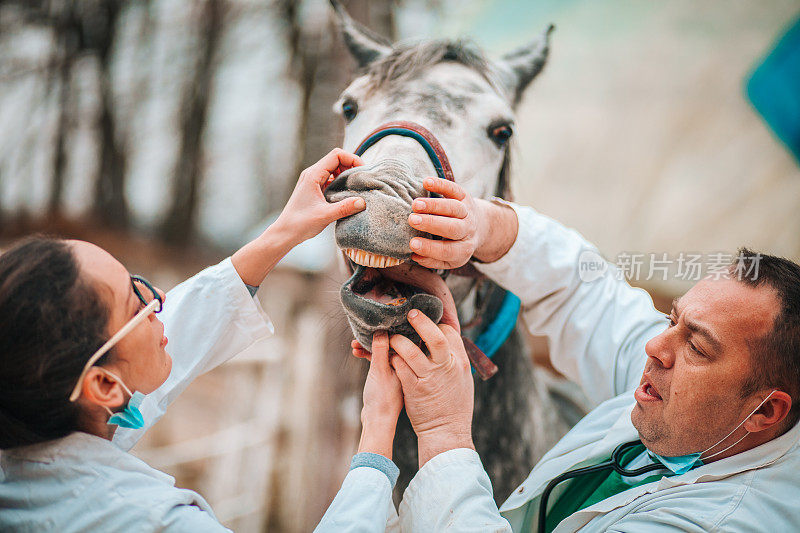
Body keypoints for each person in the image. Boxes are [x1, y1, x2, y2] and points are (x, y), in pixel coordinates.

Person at [355, 177, 800, 532]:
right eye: (671, 320)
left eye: (698, 347)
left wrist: (442, 430)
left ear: (766, 410)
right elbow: (583, 292)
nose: (654, 348)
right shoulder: (704, 409)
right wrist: (483, 226)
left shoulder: (727, 523)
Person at [0, 149, 405, 532]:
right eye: (133, 302)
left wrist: (283, 233)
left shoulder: (31, 440)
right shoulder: (154, 521)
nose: (157, 298)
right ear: (104, 386)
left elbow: (179, 325)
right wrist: (377, 434)